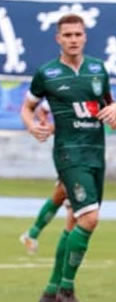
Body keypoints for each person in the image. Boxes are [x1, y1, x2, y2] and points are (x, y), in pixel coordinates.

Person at [20, 13, 116, 302]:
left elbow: (111, 111)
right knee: (90, 219)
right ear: (58, 39)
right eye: (67, 35)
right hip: (69, 153)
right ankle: (66, 290)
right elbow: (28, 108)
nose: (73, 39)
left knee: (73, 222)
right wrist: (32, 125)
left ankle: (50, 292)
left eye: (78, 34)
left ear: (85, 37)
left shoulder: (97, 69)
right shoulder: (47, 74)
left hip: (95, 153)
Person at [18, 104, 65, 255]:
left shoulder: (95, 91)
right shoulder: (63, 88)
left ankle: (32, 233)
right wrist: (47, 125)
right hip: (67, 149)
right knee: (72, 201)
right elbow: (41, 109)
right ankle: (64, 270)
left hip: (89, 150)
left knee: (62, 193)